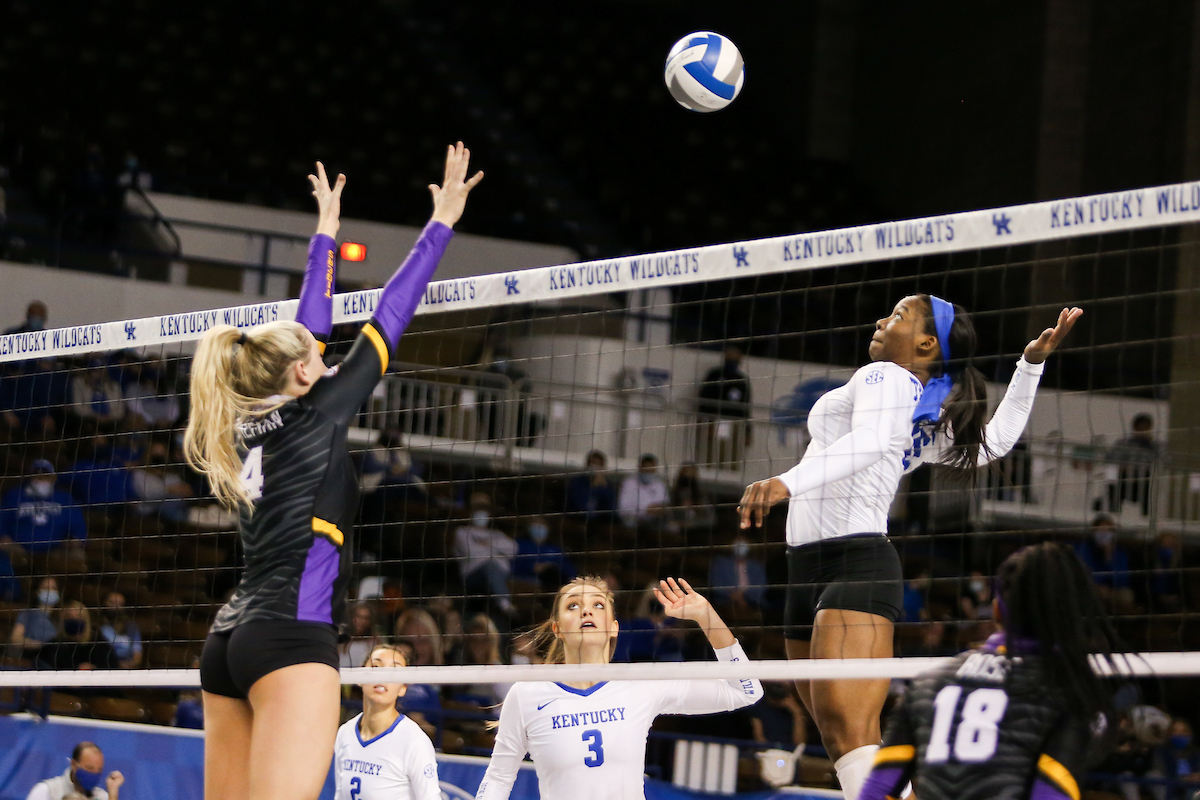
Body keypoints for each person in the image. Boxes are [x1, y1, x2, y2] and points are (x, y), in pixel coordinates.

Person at [184, 147, 481, 800]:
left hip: (230, 640)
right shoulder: (316, 413)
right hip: (291, 637)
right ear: (299, 375)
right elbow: (389, 318)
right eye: (317, 360)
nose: (326, 359)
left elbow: (303, 336)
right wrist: (441, 223)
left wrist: (325, 235)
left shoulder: (241, 423)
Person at [738, 296, 1081, 800]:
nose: (881, 320)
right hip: (805, 567)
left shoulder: (889, 377)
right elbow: (994, 444)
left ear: (926, 343)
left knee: (849, 735)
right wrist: (1029, 365)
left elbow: (872, 441)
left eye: (897, 315)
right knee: (846, 743)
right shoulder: (916, 413)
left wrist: (785, 482)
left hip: (854, 564)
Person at [859, 542, 1125, 800]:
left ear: (997, 610)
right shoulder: (1066, 692)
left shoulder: (929, 683)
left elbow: (876, 790)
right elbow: (1051, 794)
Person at [476, 576, 763, 799]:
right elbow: (498, 779)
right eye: (573, 605)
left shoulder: (638, 684)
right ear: (557, 628)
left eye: (597, 605)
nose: (586, 611)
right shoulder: (528, 693)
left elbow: (746, 690)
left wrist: (707, 617)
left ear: (613, 627)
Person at [332, 645, 441, 800]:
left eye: (394, 670)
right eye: (376, 667)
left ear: (403, 688)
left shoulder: (414, 740)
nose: (383, 675)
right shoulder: (345, 733)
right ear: (359, 677)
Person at [0, 460, 88, 557]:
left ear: (54, 478)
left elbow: (78, 524)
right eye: (36, 475)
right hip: (18, 549)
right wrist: (4, 537)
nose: (40, 479)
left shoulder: (65, 499)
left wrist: (76, 539)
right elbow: (2, 520)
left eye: (45, 475)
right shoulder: (14, 496)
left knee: (77, 555)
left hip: (56, 550)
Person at [453, 492, 518, 618]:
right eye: (477, 510)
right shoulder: (462, 532)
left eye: (484, 511)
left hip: (500, 574)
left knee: (493, 567)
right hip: (473, 575)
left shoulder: (496, 534)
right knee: (490, 565)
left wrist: (487, 544)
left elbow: (513, 549)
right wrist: (496, 551)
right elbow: (471, 551)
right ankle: (504, 603)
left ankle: (503, 606)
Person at [696, 343, 752, 466]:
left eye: (735, 359)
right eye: (729, 358)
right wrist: (704, 422)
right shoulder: (714, 375)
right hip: (714, 421)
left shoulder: (741, 380)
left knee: (732, 457)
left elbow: (746, 408)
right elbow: (704, 399)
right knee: (711, 455)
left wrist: (748, 432)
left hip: (734, 424)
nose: (732, 361)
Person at [24, 741, 124, 800]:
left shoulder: (102, 796)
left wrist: (113, 793)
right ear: (74, 765)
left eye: (99, 770)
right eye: (89, 768)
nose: (94, 774)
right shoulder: (47, 791)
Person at [36, 601, 121, 671]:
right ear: (62, 620)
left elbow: (112, 665)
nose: (74, 619)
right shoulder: (55, 646)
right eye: (69, 617)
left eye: (79, 616)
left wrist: (94, 669)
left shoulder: (98, 642)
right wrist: (76, 669)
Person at [512, 516, 577, 591]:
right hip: (528, 579)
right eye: (535, 524)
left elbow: (570, 569)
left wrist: (552, 566)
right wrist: (532, 567)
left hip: (554, 580)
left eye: (542, 524)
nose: (539, 528)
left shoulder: (554, 548)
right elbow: (512, 566)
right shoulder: (518, 545)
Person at [9, 576, 59, 659]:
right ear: (37, 591)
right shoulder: (27, 614)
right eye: (45, 588)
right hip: (33, 658)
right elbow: (16, 639)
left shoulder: (63, 615)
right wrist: (40, 646)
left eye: (53, 588)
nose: (49, 591)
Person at [617, 454, 669, 529]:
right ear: (639, 468)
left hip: (654, 521)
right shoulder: (629, 483)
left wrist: (660, 509)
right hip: (632, 520)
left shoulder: (659, 484)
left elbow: (664, 504)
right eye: (646, 469)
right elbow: (623, 509)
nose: (648, 472)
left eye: (651, 469)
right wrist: (645, 510)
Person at [565, 450, 616, 519]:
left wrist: (602, 488)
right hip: (578, 519)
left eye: (599, 465)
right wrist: (593, 488)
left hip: (600, 522)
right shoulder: (577, 482)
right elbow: (580, 506)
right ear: (587, 465)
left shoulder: (607, 485)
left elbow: (611, 508)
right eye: (594, 464)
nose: (596, 468)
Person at [97, 591, 143, 669]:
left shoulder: (131, 627)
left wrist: (130, 664)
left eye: (120, 604)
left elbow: (137, 653)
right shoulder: (97, 626)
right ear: (103, 604)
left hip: (127, 668)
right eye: (112, 603)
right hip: (104, 667)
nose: (116, 607)